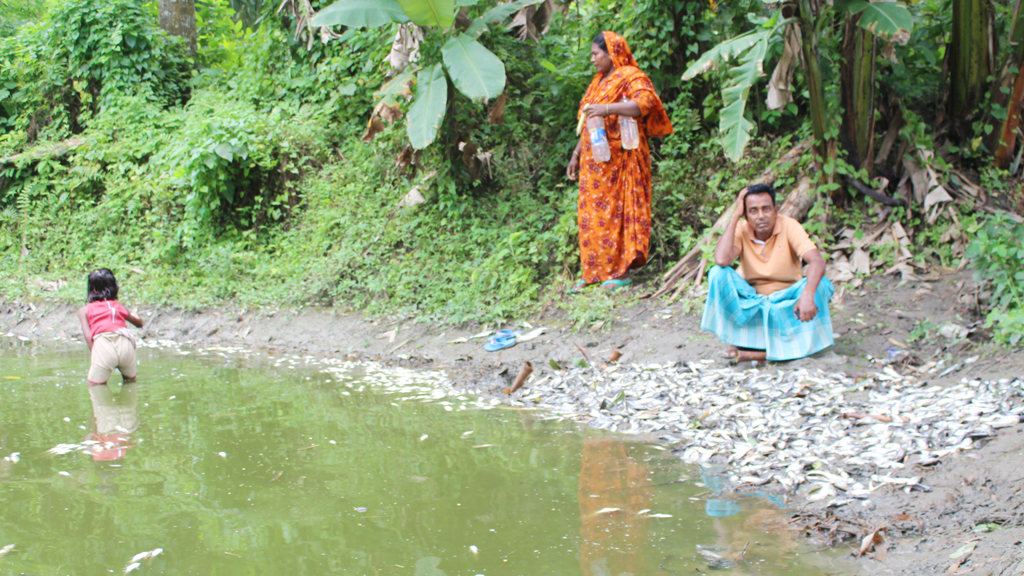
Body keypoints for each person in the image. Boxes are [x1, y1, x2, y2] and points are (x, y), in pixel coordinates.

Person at [566, 31, 673, 293]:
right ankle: (593, 272)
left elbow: (645, 104)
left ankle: (620, 272)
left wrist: (607, 108)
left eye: (596, 54)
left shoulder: (631, 76)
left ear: (611, 52)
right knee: (593, 216)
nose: (592, 59)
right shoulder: (597, 82)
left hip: (622, 159)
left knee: (620, 213)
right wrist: (577, 153)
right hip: (594, 164)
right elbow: (588, 120)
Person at [700, 184, 835, 363]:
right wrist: (734, 217)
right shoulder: (741, 228)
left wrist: (808, 295)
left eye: (766, 209)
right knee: (717, 273)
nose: (761, 216)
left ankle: (760, 347)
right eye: (753, 211)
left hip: (788, 302)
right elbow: (722, 260)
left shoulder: (789, 226)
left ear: (776, 210)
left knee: (822, 284)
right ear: (746, 215)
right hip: (753, 302)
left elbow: (817, 261)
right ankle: (746, 341)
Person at [77, 268, 143, 385]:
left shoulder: (84, 310)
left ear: (90, 289)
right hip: (125, 344)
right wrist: (135, 315)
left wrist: (97, 355)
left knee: (95, 386)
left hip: (103, 344)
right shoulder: (117, 306)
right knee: (130, 382)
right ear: (115, 286)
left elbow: (88, 337)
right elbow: (139, 324)